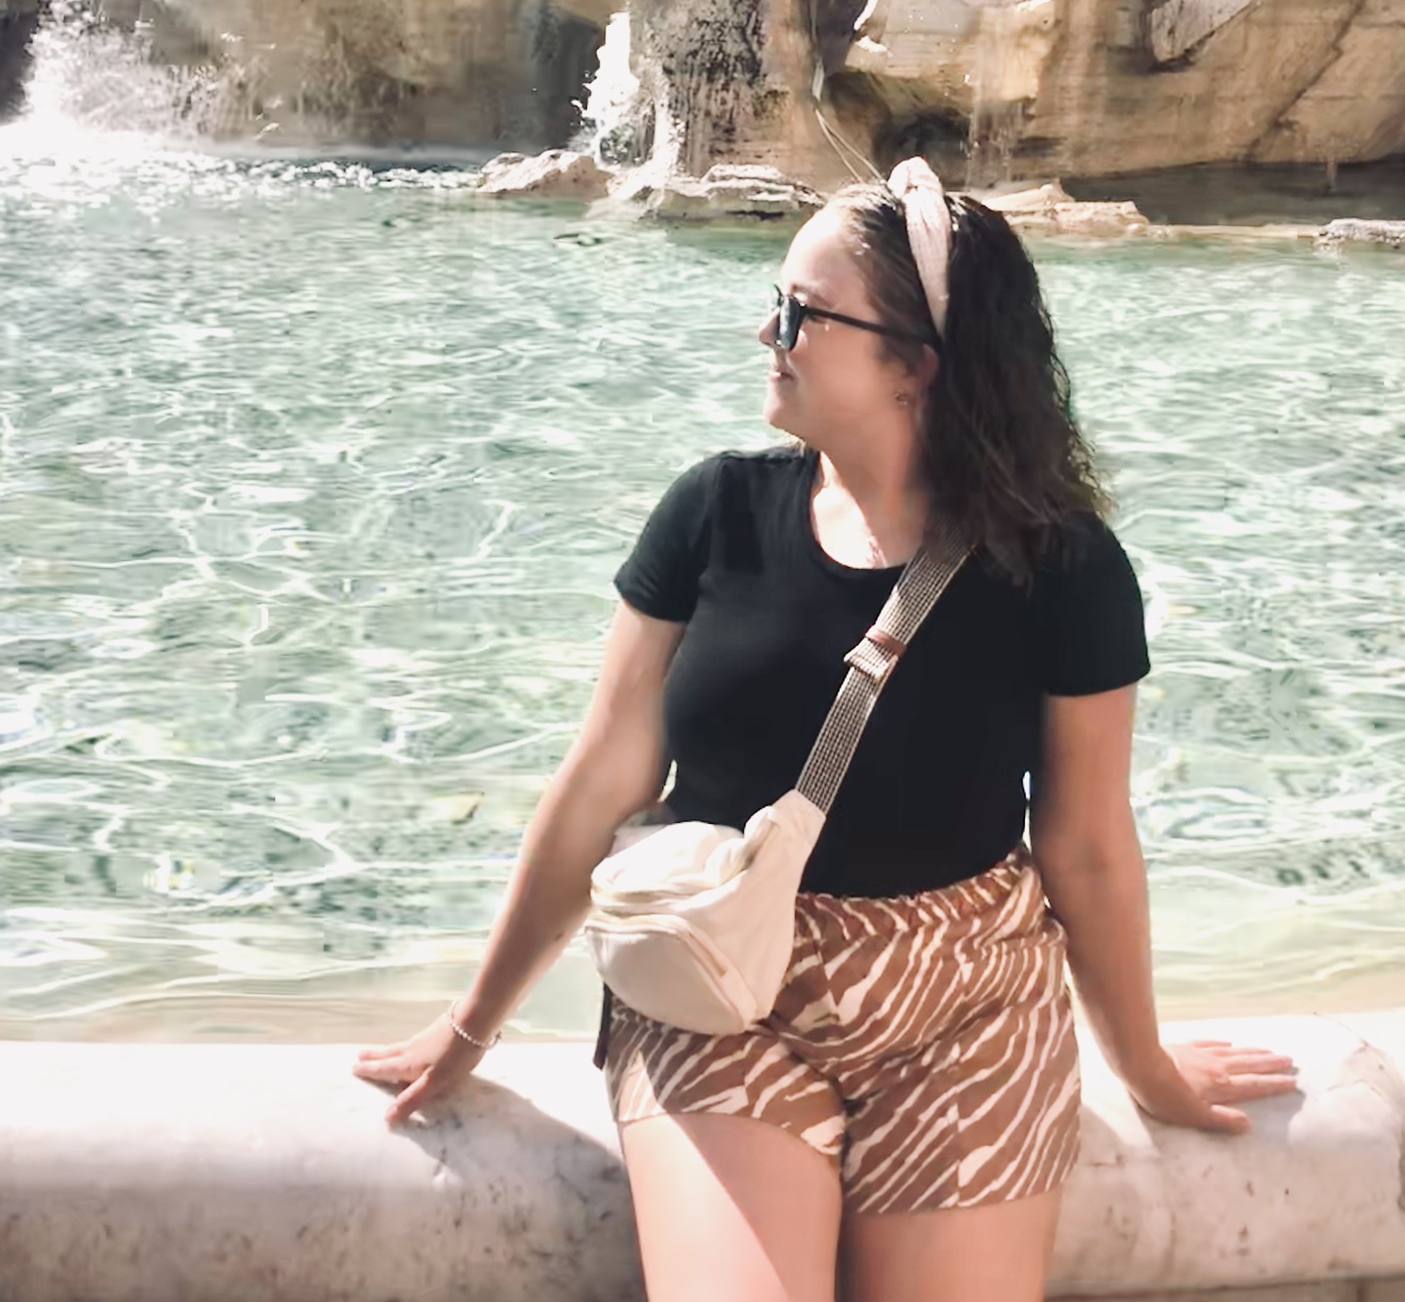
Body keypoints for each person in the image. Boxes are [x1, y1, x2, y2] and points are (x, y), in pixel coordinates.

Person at [353, 165, 1299, 1302]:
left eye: (803, 311)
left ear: (917, 364)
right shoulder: (713, 511)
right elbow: (603, 779)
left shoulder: (1063, 567)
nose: (769, 329)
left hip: (968, 1000)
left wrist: (1143, 1063)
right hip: (719, 986)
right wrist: (470, 1026)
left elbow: (1089, 848)